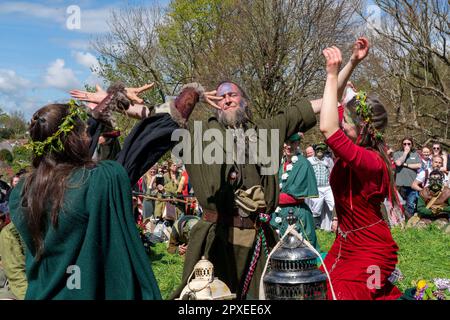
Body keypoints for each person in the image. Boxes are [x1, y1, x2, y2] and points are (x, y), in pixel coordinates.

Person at [71, 37, 370, 300]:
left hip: (256, 239)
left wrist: (350, 64)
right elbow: (152, 116)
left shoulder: (268, 129)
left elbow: (325, 101)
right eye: (222, 95)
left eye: (233, 94)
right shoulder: (197, 134)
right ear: (215, 103)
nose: (227, 98)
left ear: (245, 102)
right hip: (212, 239)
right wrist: (111, 104)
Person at [8, 103, 162, 299]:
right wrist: (147, 110)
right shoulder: (97, 181)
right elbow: (140, 149)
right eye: (84, 133)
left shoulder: (21, 191)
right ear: (73, 140)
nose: (89, 138)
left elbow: (68, 164)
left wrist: (108, 103)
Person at [318, 42, 402, 299]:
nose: (341, 123)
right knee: (319, 289)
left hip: (371, 250)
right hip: (345, 244)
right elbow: (331, 101)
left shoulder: (371, 161)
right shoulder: (352, 149)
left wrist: (331, 75)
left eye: (346, 121)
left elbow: (327, 128)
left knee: (340, 295)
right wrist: (352, 62)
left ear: (363, 128)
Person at [270, 133, 319, 250]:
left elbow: (297, 197)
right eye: (286, 142)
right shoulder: (279, 163)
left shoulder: (303, 164)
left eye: (292, 142)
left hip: (297, 216)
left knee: (300, 254)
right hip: (277, 214)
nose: (288, 146)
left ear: (298, 143)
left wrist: (270, 198)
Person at [305, 142, 335, 231]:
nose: (320, 151)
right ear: (315, 150)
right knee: (316, 208)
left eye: (321, 149)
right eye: (318, 149)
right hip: (316, 188)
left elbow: (333, 171)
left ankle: (335, 225)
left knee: (333, 204)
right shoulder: (309, 160)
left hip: (328, 187)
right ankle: (316, 227)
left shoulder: (328, 160)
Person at [393, 137, 421, 219]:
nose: (407, 145)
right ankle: (400, 220)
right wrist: (405, 153)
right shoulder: (397, 153)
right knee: (400, 204)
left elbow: (419, 165)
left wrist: (406, 165)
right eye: (404, 144)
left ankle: (409, 222)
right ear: (402, 144)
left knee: (411, 204)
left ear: (412, 144)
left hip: (412, 184)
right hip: (400, 184)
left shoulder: (415, 154)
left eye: (409, 144)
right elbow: (398, 163)